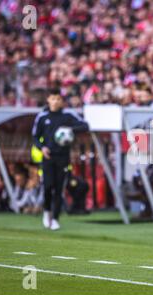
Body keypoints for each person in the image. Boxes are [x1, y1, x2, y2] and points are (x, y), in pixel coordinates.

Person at [32, 88, 89, 230]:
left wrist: (70, 130)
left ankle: (56, 219)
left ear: (62, 101)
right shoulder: (42, 116)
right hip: (48, 157)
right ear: (48, 100)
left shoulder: (68, 115)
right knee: (48, 186)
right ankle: (47, 212)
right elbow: (35, 136)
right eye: (53, 99)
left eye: (58, 99)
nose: (55, 101)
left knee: (59, 189)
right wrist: (42, 147)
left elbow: (85, 125)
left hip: (63, 157)